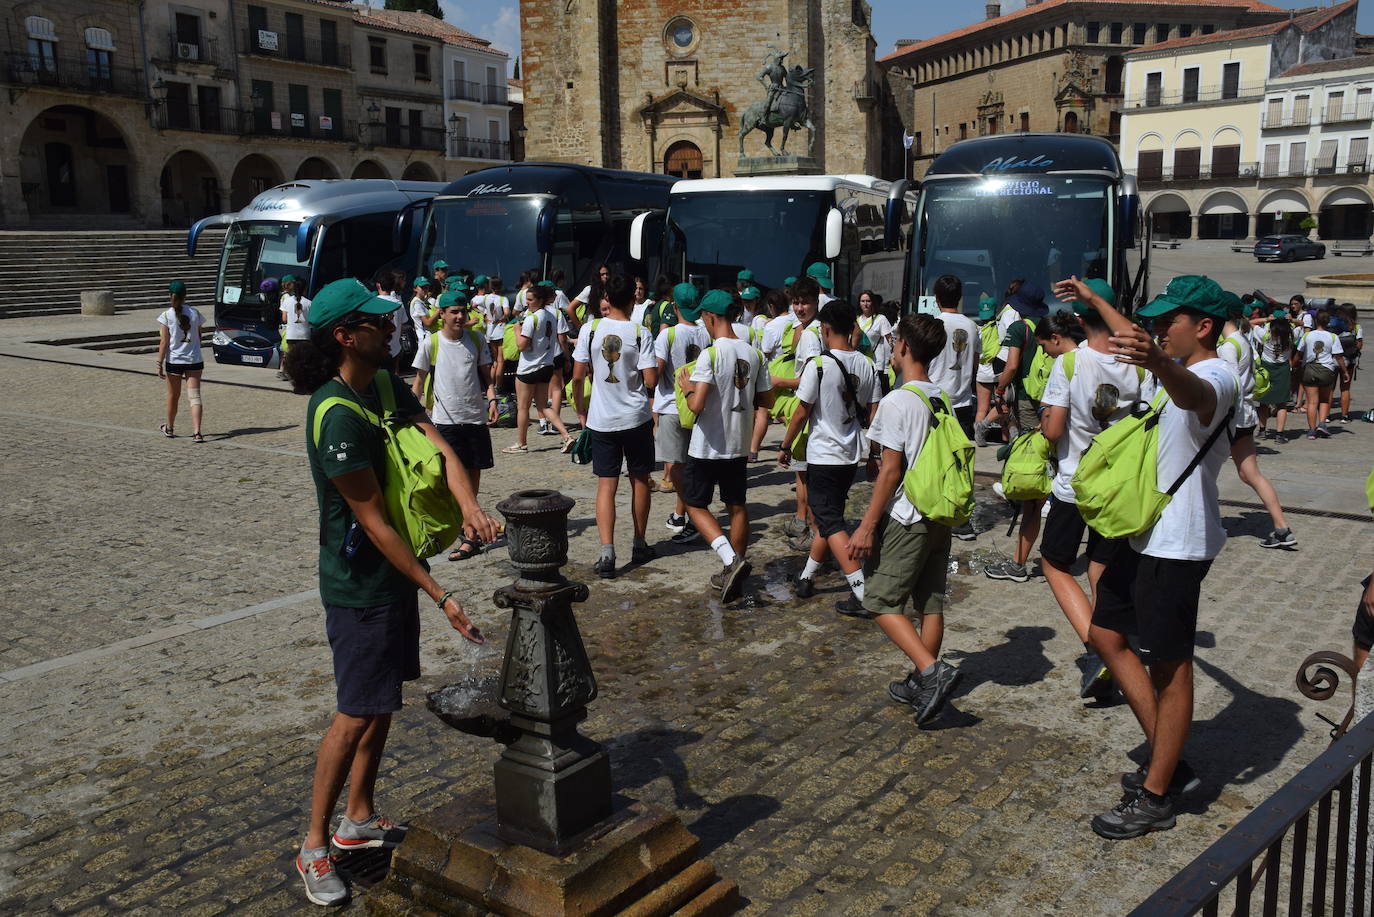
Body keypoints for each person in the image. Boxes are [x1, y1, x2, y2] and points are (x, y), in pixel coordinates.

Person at [281, 277, 498, 907]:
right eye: (377, 322)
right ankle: (314, 845)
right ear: (346, 337)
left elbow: (441, 445)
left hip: (396, 575)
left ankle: (358, 818)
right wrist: (440, 593)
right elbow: (372, 522)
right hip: (360, 586)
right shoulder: (335, 416)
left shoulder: (381, 384)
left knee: (381, 703)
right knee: (353, 713)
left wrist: (469, 505)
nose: (391, 327)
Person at [1077, 274, 1238, 840]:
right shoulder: (1177, 361)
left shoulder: (1215, 373)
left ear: (1204, 326)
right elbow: (1142, 345)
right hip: (1144, 531)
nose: (1157, 329)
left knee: (1170, 666)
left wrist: (1160, 364)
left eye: (1170, 321)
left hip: (1179, 542)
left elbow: (1196, 396)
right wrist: (1096, 302)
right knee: (1106, 634)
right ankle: (1170, 759)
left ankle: (1156, 794)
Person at [847, 313, 962, 724]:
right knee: (930, 603)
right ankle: (919, 682)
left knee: (878, 601)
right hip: (938, 513)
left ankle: (932, 672)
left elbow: (890, 470)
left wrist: (866, 525)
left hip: (908, 514)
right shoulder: (941, 395)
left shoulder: (897, 400)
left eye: (895, 341)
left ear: (904, 348)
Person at [1042, 279, 1146, 701]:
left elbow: (1053, 429)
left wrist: (1046, 417)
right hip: (1119, 485)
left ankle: (1098, 646)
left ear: (1080, 319)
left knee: (1055, 563)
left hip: (1075, 483)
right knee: (1101, 564)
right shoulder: (1140, 364)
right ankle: (1114, 641)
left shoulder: (1069, 364)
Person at [781, 299, 880, 615]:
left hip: (823, 454)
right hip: (850, 455)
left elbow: (801, 412)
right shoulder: (866, 363)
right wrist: (874, 452)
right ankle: (807, 577)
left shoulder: (818, 364)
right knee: (829, 518)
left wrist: (785, 445)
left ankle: (861, 591)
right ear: (852, 326)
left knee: (831, 522)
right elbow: (873, 409)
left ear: (824, 329)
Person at [678, 289, 774, 602]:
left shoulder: (711, 354)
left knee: (695, 505)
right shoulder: (754, 353)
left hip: (707, 445)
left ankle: (731, 560)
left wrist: (687, 388)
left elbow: (697, 406)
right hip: (738, 443)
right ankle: (736, 569)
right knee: (737, 506)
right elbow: (767, 400)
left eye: (703, 318)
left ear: (711, 316)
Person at [570, 274, 659, 577]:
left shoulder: (590, 329)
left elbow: (578, 376)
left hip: (601, 419)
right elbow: (650, 380)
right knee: (640, 480)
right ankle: (639, 542)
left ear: (606, 297)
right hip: (635, 417)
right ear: (634, 299)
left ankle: (607, 553)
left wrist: (581, 414)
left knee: (606, 486)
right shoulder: (640, 332)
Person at [985, 311, 1081, 583]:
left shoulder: (1065, 364)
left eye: (1043, 346)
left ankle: (1018, 564)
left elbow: (1052, 429)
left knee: (1032, 505)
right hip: (1091, 461)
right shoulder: (1094, 359)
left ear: (1055, 338)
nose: (1044, 353)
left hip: (1064, 459)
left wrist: (1044, 423)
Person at [411, 291, 497, 561]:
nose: (460, 316)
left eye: (463, 311)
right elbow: (418, 382)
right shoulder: (430, 343)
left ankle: (469, 535)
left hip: (474, 419)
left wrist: (493, 399)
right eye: (454, 312)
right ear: (443, 314)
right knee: (450, 482)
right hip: (444, 422)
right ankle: (465, 529)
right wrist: (411, 416)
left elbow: (487, 377)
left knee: (472, 481)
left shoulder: (476, 339)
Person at [1217, 298, 1295, 549]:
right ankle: (1282, 528)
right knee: (1250, 473)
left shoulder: (1229, 346)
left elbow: (1227, 388)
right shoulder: (1242, 340)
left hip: (1232, 418)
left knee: (1204, 473)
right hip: (1246, 415)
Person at [655, 283, 711, 544]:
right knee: (689, 465)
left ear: (674, 307)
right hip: (697, 403)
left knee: (676, 468)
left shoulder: (668, 335)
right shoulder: (705, 334)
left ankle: (695, 516)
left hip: (671, 406)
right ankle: (681, 514)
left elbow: (656, 372)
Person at [771, 276, 825, 542]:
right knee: (803, 473)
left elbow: (812, 379)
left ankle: (810, 530)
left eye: (805, 302)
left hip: (808, 409)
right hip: (809, 408)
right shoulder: (812, 329)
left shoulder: (811, 336)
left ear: (816, 302)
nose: (799, 308)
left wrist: (781, 382)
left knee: (804, 475)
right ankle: (802, 521)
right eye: (796, 302)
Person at [507, 282, 574, 454]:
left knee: (523, 407)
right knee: (544, 406)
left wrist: (516, 330)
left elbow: (522, 345)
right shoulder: (552, 315)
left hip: (529, 367)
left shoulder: (531, 318)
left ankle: (521, 443)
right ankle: (567, 436)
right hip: (546, 365)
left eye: (530, 300)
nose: (527, 303)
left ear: (540, 300)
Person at [927, 274, 981, 435]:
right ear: (959, 297)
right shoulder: (972, 326)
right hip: (963, 403)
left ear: (936, 298)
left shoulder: (933, 325)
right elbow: (976, 363)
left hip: (935, 400)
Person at [156, 280, 207, 442]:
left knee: (173, 396)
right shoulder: (195, 313)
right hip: (194, 360)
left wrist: (159, 363)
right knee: (195, 396)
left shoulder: (166, 315)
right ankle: (197, 432)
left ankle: (169, 428)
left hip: (175, 361)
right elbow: (199, 336)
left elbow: (164, 342)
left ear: (170, 295)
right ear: (186, 296)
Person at [1299, 309, 1349, 439]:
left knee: (1311, 402)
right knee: (1324, 400)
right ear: (1329, 322)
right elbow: (1338, 357)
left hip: (1309, 369)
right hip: (1326, 370)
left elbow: (1299, 352)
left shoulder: (1307, 335)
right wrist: (1344, 371)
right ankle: (1322, 424)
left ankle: (1311, 430)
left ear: (1316, 321)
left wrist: (1294, 365)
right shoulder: (1333, 337)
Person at [1255, 310, 1297, 443]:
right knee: (1282, 404)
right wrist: (1292, 320)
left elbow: (1250, 323)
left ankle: (1262, 430)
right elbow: (1303, 325)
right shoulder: (1292, 335)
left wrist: (1266, 319)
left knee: (1263, 402)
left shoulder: (1266, 335)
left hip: (1267, 368)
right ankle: (1279, 434)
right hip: (1282, 368)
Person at [973, 293, 1002, 446]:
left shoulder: (978, 330)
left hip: (983, 371)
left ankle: (979, 438)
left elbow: (976, 354)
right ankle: (1007, 438)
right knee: (1002, 407)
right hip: (998, 371)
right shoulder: (1000, 327)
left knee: (981, 408)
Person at [857, 290, 894, 391]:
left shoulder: (881, 319)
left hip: (877, 364)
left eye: (868, 301)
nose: (865, 304)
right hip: (861, 363)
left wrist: (888, 363)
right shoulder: (857, 320)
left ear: (873, 302)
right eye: (862, 301)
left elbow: (889, 341)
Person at [373, 270, 408, 374]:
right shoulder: (399, 304)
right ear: (392, 286)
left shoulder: (373, 303)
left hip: (377, 350)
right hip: (394, 348)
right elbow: (402, 326)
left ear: (378, 286)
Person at [279, 274, 312, 381]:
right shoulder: (309, 303)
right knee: (303, 357)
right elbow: (311, 320)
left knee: (290, 355)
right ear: (305, 289)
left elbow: (284, 319)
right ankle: (302, 376)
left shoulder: (287, 301)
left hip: (291, 333)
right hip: (305, 334)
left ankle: (287, 373)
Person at [1337, 304, 1363, 421]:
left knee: (1330, 388)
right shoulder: (1356, 327)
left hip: (1334, 360)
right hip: (1349, 361)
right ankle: (1344, 416)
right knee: (1345, 388)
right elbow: (1359, 345)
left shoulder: (1335, 326)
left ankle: (1326, 416)